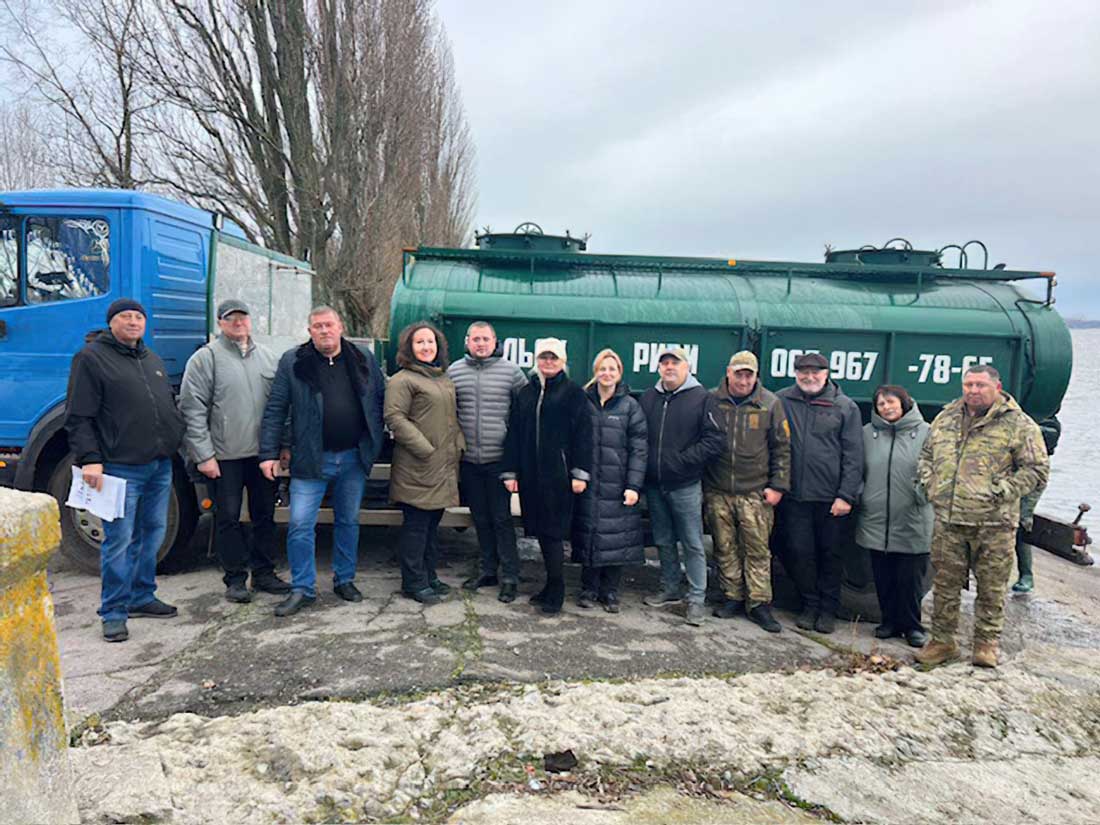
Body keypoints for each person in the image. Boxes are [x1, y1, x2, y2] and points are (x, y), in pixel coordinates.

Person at [65, 298, 187, 642]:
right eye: (125, 317)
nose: (133, 322)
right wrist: (90, 458)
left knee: (153, 534)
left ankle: (142, 595)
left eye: (138, 317)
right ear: (112, 323)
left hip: (159, 465)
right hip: (119, 469)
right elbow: (78, 415)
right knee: (119, 541)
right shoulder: (91, 359)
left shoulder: (152, 360)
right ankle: (113, 611)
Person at [915, 365, 1049, 668]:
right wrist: (931, 485)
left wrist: (1002, 490)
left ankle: (986, 644)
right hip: (949, 521)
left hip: (994, 523)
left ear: (997, 387)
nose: (973, 391)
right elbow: (926, 457)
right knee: (945, 586)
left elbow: (1037, 470)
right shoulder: (947, 417)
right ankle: (942, 642)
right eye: (968, 385)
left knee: (991, 587)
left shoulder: (1018, 424)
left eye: (980, 385)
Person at [259, 306, 385, 616]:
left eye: (329, 325)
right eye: (317, 326)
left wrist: (374, 442)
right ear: (310, 331)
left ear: (341, 327)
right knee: (300, 524)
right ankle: (302, 588)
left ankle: (345, 579)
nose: (324, 330)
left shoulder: (362, 358)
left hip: (353, 458)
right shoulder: (294, 362)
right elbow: (276, 408)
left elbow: (378, 399)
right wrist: (269, 453)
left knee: (348, 521)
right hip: (311, 459)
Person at [178, 299, 291, 603]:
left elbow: (280, 407)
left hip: (262, 456)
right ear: (220, 324)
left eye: (243, 317)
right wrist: (203, 455)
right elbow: (192, 409)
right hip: (223, 457)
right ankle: (235, 578)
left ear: (250, 321)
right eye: (231, 319)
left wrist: (281, 446)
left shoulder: (269, 358)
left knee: (265, 516)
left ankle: (265, 573)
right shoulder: (205, 360)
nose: (238, 323)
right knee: (227, 517)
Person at [501, 338, 592, 615]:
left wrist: (579, 473)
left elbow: (583, 436)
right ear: (536, 360)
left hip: (559, 476)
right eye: (544, 357)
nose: (548, 362)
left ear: (563, 361)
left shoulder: (573, 393)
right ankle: (549, 587)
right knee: (540, 531)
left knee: (553, 534)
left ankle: (557, 590)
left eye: (554, 358)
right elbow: (514, 434)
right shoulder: (526, 393)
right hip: (531, 475)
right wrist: (510, 471)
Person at [703, 351, 790, 633]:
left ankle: (759, 604)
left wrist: (778, 486)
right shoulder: (712, 399)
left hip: (754, 491)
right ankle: (732, 596)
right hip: (718, 490)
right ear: (728, 373)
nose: (743, 380)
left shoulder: (769, 403)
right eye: (738, 373)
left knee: (757, 550)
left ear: (755, 376)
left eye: (748, 374)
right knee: (724, 547)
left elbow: (782, 448)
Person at [776, 352, 863, 634]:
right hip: (795, 497)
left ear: (826, 374)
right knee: (800, 553)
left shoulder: (844, 407)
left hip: (830, 499)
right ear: (796, 374)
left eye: (815, 372)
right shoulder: (782, 401)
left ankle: (828, 610)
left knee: (831, 555)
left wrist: (846, 495)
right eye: (803, 372)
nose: (809, 377)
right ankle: (810, 604)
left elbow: (853, 456)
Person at [639, 346, 725, 626]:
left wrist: (682, 461)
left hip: (685, 484)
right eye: (664, 364)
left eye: (674, 363)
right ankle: (670, 587)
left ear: (687, 367)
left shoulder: (703, 399)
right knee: (663, 540)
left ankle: (697, 598)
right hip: (655, 484)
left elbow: (714, 440)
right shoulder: (649, 397)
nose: (669, 368)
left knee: (692, 542)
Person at [385, 322, 465, 605]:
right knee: (416, 528)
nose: (426, 347)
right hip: (417, 466)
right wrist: (425, 449)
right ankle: (413, 582)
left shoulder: (442, 379)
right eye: (420, 342)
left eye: (430, 342)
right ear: (409, 347)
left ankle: (429, 576)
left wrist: (458, 445)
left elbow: (450, 419)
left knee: (432, 527)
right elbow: (395, 418)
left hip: (442, 467)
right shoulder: (402, 380)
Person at [448, 321, 527, 603]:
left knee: (502, 520)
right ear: (467, 341)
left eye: (486, 339)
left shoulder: (512, 373)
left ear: (495, 342)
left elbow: (524, 416)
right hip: (469, 461)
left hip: (499, 461)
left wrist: (516, 462)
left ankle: (510, 576)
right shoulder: (454, 372)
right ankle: (487, 569)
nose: (480, 344)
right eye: (475, 339)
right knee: (480, 519)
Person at [855, 385, 932, 648]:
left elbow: (938, 469)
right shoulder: (867, 434)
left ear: (904, 402)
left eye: (891, 402)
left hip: (912, 516)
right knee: (882, 574)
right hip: (877, 517)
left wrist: (922, 493)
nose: (886, 407)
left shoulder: (926, 432)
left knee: (910, 577)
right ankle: (888, 621)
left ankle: (912, 625)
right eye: (881, 404)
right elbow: (857, 468)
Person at [571, 349, 647, 613]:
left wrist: (633, 486)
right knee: (590, 535)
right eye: (602, 369)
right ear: (596, 372)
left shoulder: (630, 407)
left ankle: (610, 592)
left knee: (617, 540)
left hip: (618, 486)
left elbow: (639, 450)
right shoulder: (583, 401)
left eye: (612, 369)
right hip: (589, 484)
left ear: (619, 373)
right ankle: (588, 589)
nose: (607, 374)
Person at [1012, 419, 1058, 594]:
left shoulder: (1045, 418)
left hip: (1032, 472)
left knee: (1022, 524)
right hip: (1011, 469)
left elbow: (1052, 435)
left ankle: (1026, 575)